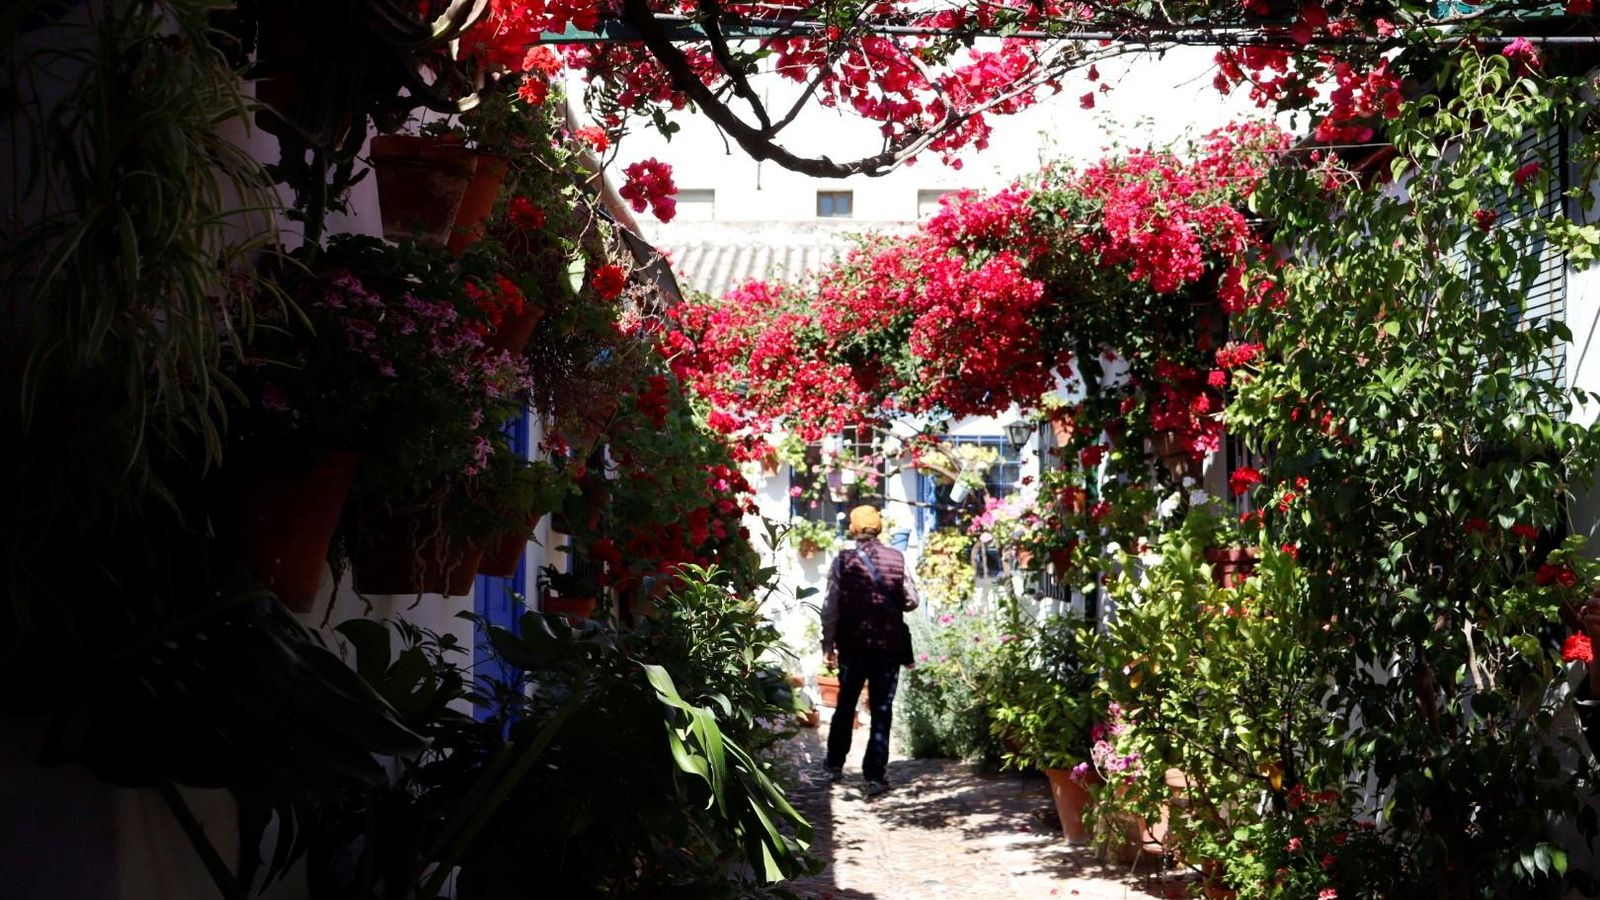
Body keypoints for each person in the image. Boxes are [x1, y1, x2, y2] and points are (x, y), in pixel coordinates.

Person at [821, 504, 919, 795]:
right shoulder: (897, 558)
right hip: (888, 647)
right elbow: (912, 599)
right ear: (879, 528)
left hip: (852, 646)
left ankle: (834, 765)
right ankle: (875, 775)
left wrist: (827, 644)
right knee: (882, 709)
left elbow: (830, 607)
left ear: (853, 528)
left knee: (845, 706)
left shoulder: (843, 561)